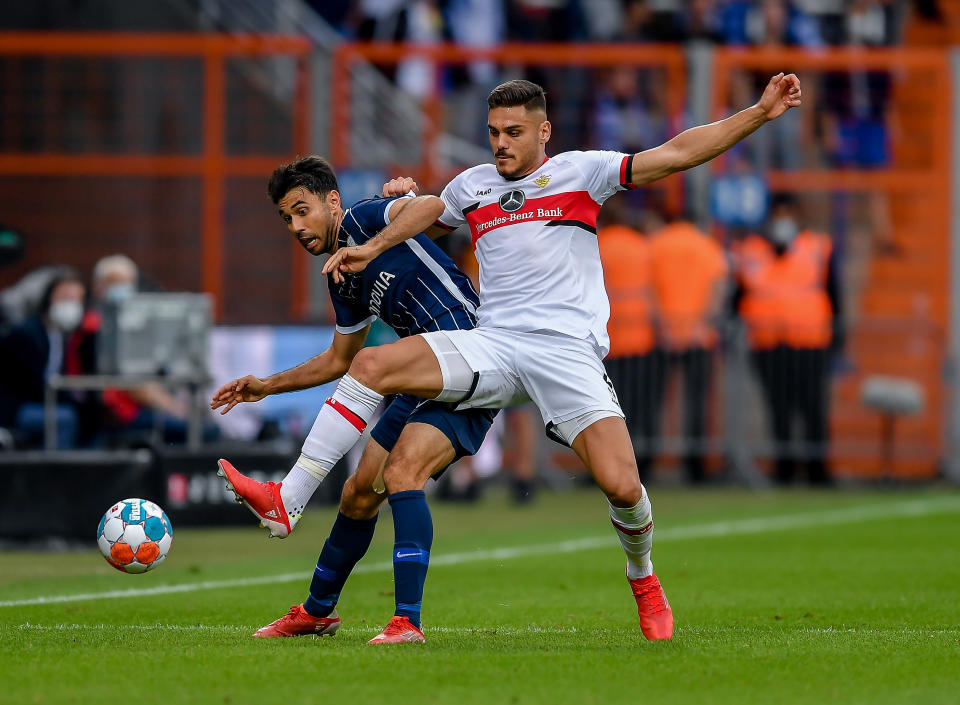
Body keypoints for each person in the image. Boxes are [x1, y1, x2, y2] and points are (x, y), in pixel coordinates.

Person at [319, 74, 802, 643]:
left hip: (565, 351)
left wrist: (758, 113)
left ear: (543, 131)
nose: (501, 143)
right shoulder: (472, 186)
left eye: (514, 132)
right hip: (494, 344)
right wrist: (375, 241)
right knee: (376, 381)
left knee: (623, 487)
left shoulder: (581, 172)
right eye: (494, 132)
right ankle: (387, 599)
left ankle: (642, 574)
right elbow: (426, 212)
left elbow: (674, 154)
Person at [209, 156, 496, 644]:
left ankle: (403, 618)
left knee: (402, 472)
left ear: (332, 202)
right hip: (421, 373)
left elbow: (429, 206)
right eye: (287, 218)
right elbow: (340, 358)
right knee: (359, 493)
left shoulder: (363, 217)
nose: (297, 226)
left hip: (470, 350)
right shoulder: (340, 275)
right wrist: (266, 386)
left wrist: (375, 241)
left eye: (302, 210)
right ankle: (317, 610)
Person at [732, 195, 841, 485]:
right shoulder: (752, 251)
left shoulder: (817, 247)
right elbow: (737, 296)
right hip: (768, 344)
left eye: (787, 213)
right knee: (778, 408)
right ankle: (785, 468)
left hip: (810, 342)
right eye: (778, 214)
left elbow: (834, 294)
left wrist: (838, 341)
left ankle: (818, 470)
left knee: (812, 407)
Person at [648, 214, 728, 483]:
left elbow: (648, 289)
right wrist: (703, 323)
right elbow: (718, 288)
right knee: (697, 403)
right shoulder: (707, 245)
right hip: (699, 335)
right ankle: (695, 465)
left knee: (653, 403)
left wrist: (661, 325)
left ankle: (644, 461)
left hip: (664, 335)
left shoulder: (657, 244)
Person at [596, 203, 657, 482]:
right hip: (641, 336)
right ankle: (643, 465)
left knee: (608, 410)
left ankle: (611, 468)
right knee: (642, 407)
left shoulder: (596, 244)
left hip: (607, 340)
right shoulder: (642, 246)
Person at [0, 269, 87, 448]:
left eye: (76, 300)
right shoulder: (27, 334)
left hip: (44, 400)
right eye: (65, 297)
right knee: (65, 417)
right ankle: (52, 472)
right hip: (18, 408)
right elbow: (32, 385)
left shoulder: (61, 335)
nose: (71, 305)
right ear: (49, 298)